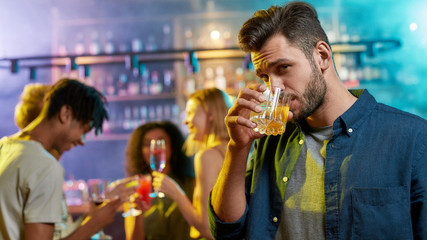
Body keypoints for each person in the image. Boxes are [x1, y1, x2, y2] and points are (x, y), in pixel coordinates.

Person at [209, 1, 427, 240]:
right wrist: (237, 147)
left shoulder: (412, 138)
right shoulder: (269, 140)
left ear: (322, 56)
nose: (274, 88)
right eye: (264, 77)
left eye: (283, 67)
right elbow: (226, 230)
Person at [11, 82, 137, 240]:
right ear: (65, 114)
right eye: (83, 130)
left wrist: (91, 218)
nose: (82, 141)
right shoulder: (44, 166)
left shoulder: (5, 147)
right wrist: (94, 224)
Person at [152, 88, 232, 239]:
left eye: (190, 112)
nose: (185, 121)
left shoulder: (207, 156)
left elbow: (207, 229)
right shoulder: (234, 149)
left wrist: (176, 193)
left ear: (211, 114)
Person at [124, 121, 195, 240]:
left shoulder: (191, 184)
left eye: (161, 142)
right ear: (140, 151)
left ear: (172, 147)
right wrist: (137, 214)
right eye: (148, 144)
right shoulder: (135, 188)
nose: (155, 149)